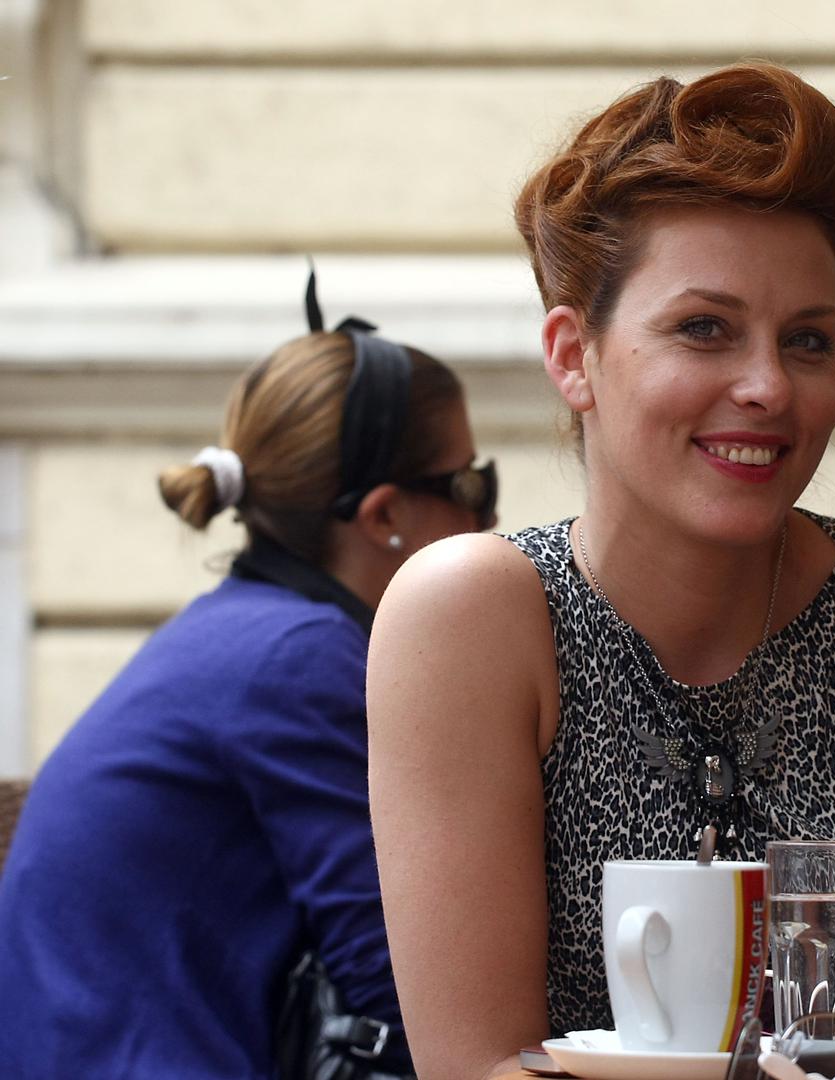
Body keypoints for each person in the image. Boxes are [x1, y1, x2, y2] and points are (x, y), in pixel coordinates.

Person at [366, 61, 835, 1076]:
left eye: (808, 340)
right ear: (572, 356)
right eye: (703, 328)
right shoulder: (475, 618)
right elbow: (478, 1067)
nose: (767, 387)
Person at [0, 286, 497, 1077]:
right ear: (383, 517)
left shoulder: (248, 631)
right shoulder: (298, 657)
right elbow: (405, 985)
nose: (487, 522)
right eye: (470, 487)